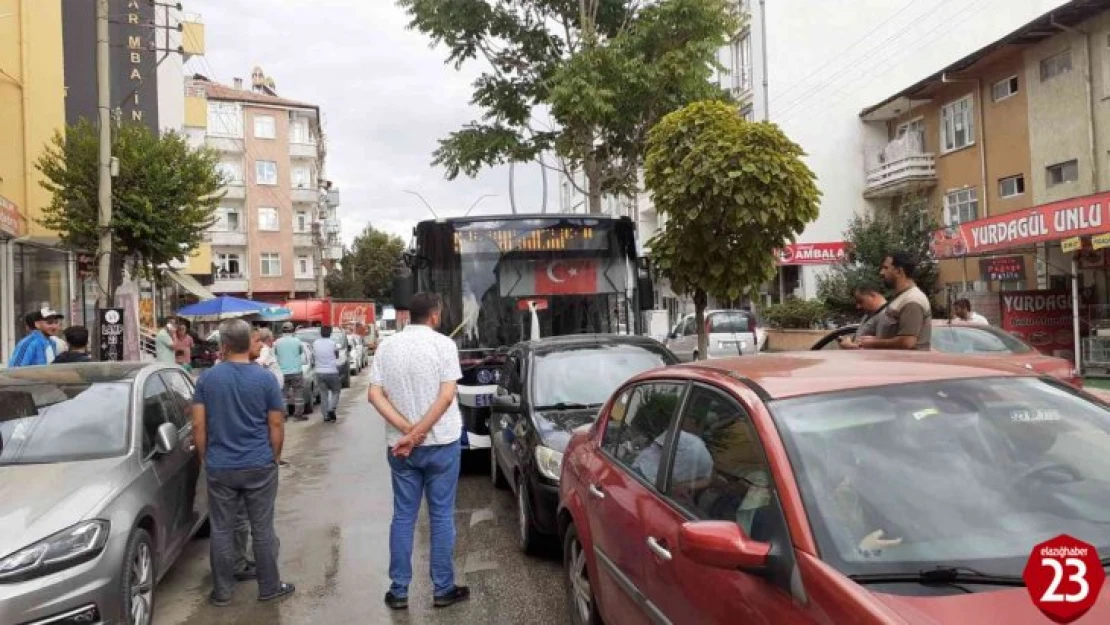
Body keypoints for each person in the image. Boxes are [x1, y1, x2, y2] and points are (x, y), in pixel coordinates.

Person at [368, 292, 469, 611]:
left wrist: (407, 432)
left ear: (407, 315)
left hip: (401, 450)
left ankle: (398, 591)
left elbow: (374, 395)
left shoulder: (387, 346)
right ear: (435, 316)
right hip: (442, 444)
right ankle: (442, 589)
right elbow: (447, 396)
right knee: (440, 515)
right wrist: (420, 432)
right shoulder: (444, 346)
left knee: (403, 516)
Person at [191, 319, 295, 607]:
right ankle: (269, 587)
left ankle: (222, 592)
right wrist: (274, 457)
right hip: (259, 463)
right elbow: (276, 424)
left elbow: (198, 426)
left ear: (223, 346)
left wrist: (205, 457)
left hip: (221, 466)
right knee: (262, 528)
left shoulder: (208, 380)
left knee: (222, 529)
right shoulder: (264, 379)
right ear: (248, 343)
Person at [859, 252, 932, 351]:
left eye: (885, 268)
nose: (881, 273)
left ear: (898, 271)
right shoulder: (901, 297)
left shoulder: (912, 300)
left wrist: (873, 342)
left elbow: (907, 342)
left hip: (906, 365)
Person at [273, 322, 307, 422]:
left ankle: (284, 416)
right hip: (296, 371)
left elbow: (275, 353)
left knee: (282, 396)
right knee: (298, 394)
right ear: (292, 330)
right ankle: (298, 415)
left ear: (282, 330)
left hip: (282, 372)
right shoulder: (297, 341)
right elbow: (300, 352)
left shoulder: (277, 342)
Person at [838, 285, 889, 350]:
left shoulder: (887, 316)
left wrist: (850, 346)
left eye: (860, 301)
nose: (858, 307)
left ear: (873, 295)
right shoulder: (869, 314)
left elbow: (882, 350)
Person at [313, 326, 342, 423]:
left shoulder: (315, 343)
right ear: (330, 333)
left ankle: (325, 416)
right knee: (336, 391)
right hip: (332, 371)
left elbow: (314, 355)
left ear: (320, 333)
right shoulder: (333, 343)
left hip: (319, 372)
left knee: (323, 394)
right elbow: (337, 356)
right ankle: (331, 408)